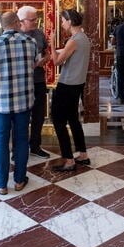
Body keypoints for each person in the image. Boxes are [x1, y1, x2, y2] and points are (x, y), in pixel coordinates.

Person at [0, 12, 37, 194]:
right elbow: (34, 64)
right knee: (22, 141)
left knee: (1, 142)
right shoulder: (31, 42)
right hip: (24, 101)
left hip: (2, 103)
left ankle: (1, 184)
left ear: (2, 26)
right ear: (17, 23)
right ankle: (20, 180)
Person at [50, 9, 92, 172]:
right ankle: (83, 155)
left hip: (67, 85)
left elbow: (56, 61)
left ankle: (68, 159)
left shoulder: (74, 40)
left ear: (69, 21)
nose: (62, 23)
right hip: (77, 84)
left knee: (58, 120)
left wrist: (52, 42)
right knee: (73, 119)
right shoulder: (84, 37)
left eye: (62, 20)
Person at [17, 5, 51, 159]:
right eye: (32, 20)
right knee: (20, 117)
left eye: (36, 19)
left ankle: (35, 145)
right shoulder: (14, 35)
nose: (36, 22)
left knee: (38, 115)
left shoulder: (38, 33)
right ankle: (18, 148)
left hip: (38, 80)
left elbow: (47, 52)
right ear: (21, 21)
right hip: (20, 83)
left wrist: (44, 60)